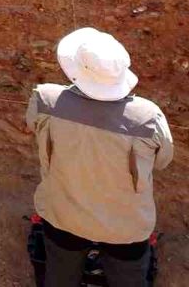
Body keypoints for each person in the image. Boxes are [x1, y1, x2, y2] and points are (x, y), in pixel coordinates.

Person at [26, 27, 173, 287]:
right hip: (126, 227)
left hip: (63, 216)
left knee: (60, 275)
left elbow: (34, 128)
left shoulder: (45, 99)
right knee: (128, 279)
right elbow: (162, 161)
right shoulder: (147, 117)